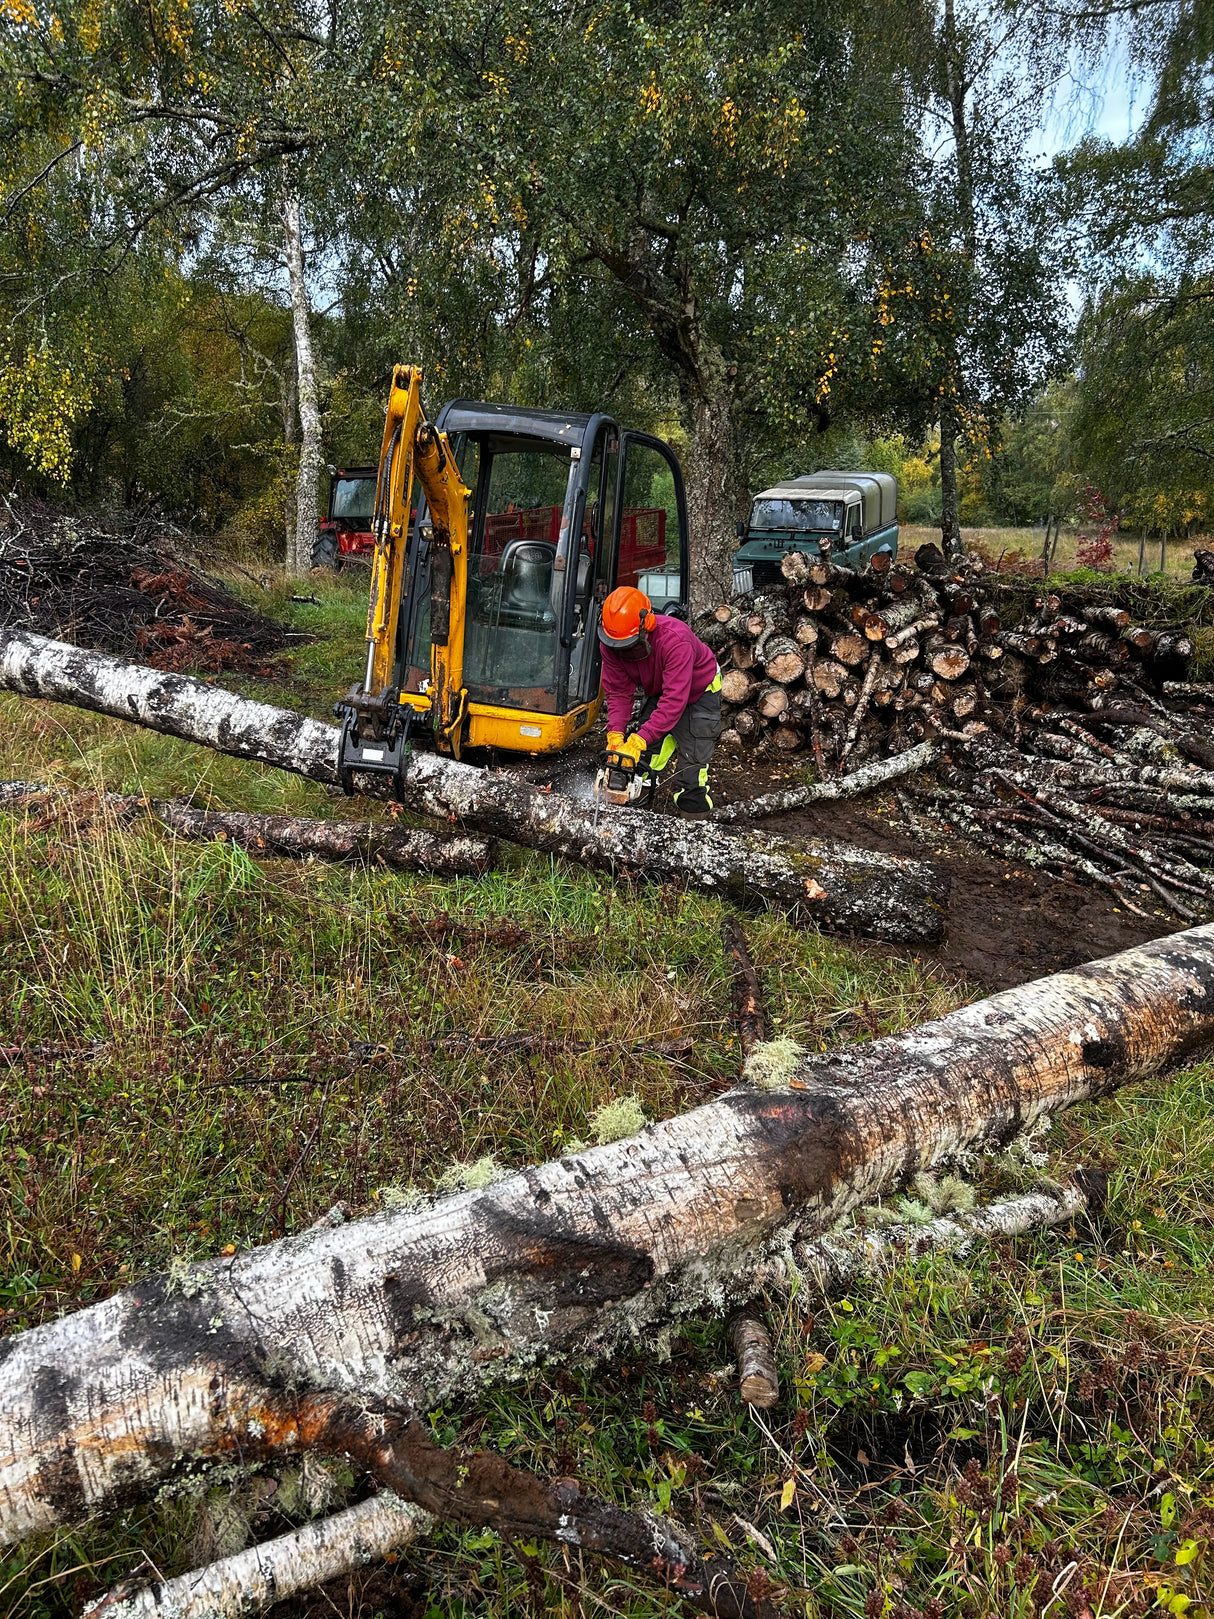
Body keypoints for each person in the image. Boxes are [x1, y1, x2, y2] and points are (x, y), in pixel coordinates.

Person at [598, 585, 722, 818]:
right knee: (640, 761)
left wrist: (638, 740)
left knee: (691, 771)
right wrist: (616, 734)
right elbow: (617, 692)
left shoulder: (676, 640)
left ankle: (694, 827)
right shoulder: (611, 642)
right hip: (661, 688)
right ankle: (633, 809)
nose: (622, 652)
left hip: (700, 689)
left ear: (648, 626)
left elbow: (674, 700)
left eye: (628, 646)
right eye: (617, 646)